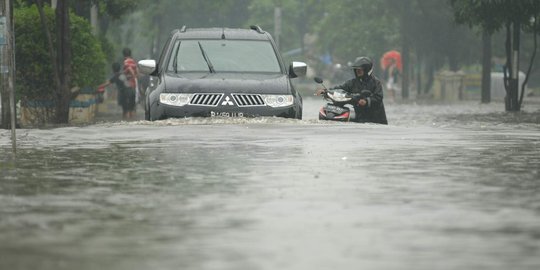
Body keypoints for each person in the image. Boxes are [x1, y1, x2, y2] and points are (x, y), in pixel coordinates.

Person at [316, 56, 388, 124]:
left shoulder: (376, 82)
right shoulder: (352, 82)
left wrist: (366, 101)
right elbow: (340, 88)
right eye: (356, 69)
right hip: (359, 116)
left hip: (375, 118)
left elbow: (378, 97)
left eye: (359, 69)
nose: (357, 71)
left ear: (366, 70)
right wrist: (326, 91)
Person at [122, 48, 138, 119]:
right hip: (134, 83)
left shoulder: (126, 62)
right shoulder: (133, 62)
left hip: (127, 84)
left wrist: (131, 75)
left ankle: (127, 116)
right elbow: (137, 71)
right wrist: (134, 76)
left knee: (127, 99)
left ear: (124, 55)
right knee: (132, 99)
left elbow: (129, 69)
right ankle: (131, 115)